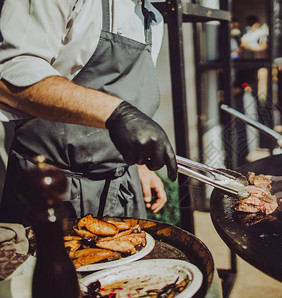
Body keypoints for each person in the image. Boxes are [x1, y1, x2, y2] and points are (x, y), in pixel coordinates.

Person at [0, 0, 178, 224]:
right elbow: (9, 73)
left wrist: (136, 165)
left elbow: (127, 94)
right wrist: (116, 113)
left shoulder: (152, 17)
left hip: (122, 191)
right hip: (50, 189)